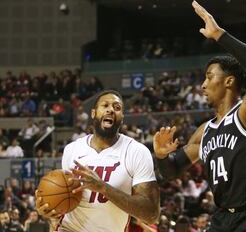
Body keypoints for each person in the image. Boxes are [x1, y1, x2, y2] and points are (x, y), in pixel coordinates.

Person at [153, 1, 246, 231]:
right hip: (222, 219)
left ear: (229, 81)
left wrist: (220, 35)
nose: (203, 85)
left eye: (209, 77)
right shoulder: (204, 132)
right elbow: (171, 171)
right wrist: (162, 156)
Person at [36, 90, 160, 231]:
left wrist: (102, 187)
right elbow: (66, 199)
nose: (111, 110)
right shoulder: (72, 149)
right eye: (105, 105)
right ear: (93, 113)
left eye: (117, 107)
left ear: (122, 117)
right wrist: (50, 209)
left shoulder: (137, 152)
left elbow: (151, 214)